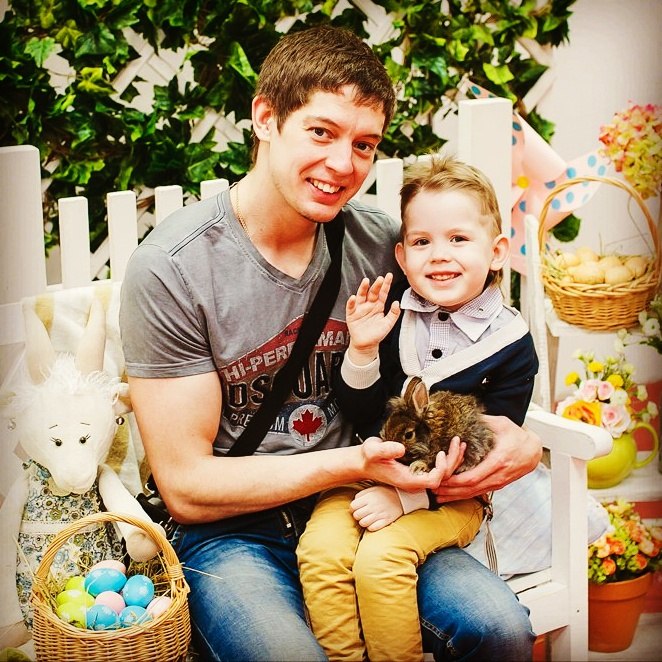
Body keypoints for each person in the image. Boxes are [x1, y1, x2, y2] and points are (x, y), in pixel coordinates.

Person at [119, 25, 540, 661]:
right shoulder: (173, 269)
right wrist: (354, 464)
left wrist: (522, 441)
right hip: (233, 532)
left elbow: (473, 335)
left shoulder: (385, 245)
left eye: (364, 144)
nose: (344, 165)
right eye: (322, 132)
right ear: (266, 118)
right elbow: (186, 486)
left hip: (366, 506)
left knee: (499, 630)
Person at [297, 155, 539, 662]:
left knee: (381, 560)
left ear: (497, 252)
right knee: (320, 553)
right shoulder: (396, 318)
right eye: (423, 242)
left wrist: (407, 500)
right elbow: (360, 411)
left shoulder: (511, 344)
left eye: (459, 238)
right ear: (402, 257)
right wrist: (363, 350)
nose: (439, 255)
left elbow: (482, 451)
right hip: (364, 470)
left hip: (447, 498)